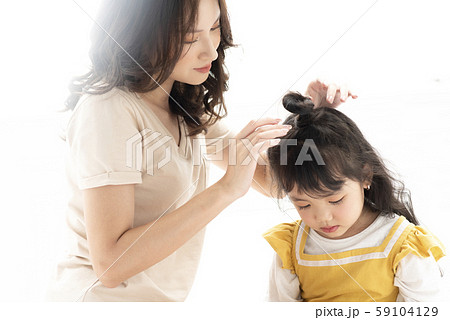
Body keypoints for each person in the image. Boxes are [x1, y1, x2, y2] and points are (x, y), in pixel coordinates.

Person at [46, 0, 355, 302]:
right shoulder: (108, 109)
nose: (210, 50)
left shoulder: (183, 103)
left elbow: (273, 183)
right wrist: (225, 190)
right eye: (189, 37)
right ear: (140, 33)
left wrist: (312, 120)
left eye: (214, 27)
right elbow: (110, 266)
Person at [263, 92, 446, 302]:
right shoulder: (291, 248)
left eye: (335, 200)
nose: (323, 217)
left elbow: (427, 310)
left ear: (365, 175)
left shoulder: (403, 245)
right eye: (303, 204)